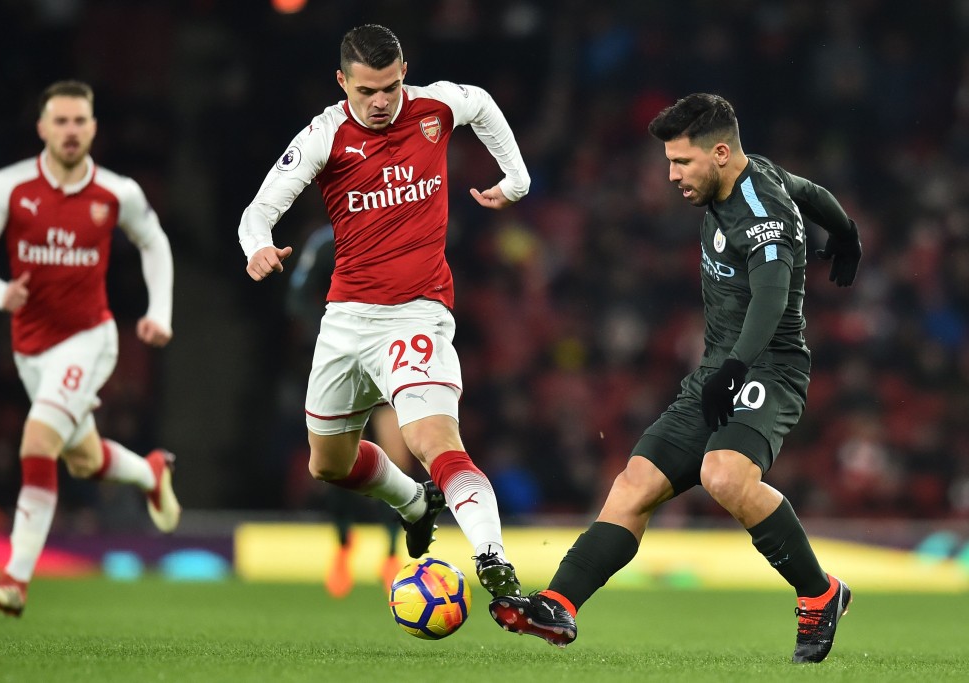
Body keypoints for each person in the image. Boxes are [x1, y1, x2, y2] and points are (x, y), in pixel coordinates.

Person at [489, 93, 862, 664]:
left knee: (724, 476)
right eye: (668, 162)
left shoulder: (761, 213)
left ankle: (820, 594)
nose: (671, 176)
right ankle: (560, 602)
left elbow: (772, 295)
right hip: (720, 366)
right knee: (635, 483)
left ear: (718, 153)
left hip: (769, 366)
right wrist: (846, 232)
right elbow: (809, 191)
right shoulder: (751, 171)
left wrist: (736, 368)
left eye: (681, 163)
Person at [238, 24, 529, 599]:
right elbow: (258, 211)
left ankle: (495, 563)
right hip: (346, 319)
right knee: (327, 463)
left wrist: (516, 179)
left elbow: (483, 105)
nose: (380, 102)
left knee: (436, 443)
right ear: (342, 81)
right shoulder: (324, 135)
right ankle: (413, 502)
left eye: (391, 88)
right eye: (368, 90)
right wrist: (258, 248)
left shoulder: (433, 105)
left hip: (417, 314)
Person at [0, 80, 180, 617]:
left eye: (81, 121)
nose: (72, 131)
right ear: (42, 128)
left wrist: (159, 312)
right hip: (32, 350)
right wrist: (0, 294)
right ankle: (151, 472)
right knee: (82, 459)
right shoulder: (9, 186)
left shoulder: (116, 192)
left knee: (37, 441)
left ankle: (16, 579)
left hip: (89, 341)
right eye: (61, 121)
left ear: (94, 127)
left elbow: (155, 243)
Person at [287, 224, 411, 597]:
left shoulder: (395, 234)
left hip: (384, 363)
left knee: (397, 461)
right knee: (337, 466)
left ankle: (391, 554)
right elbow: (296, 297)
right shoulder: (326, 243)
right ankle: (343, 547)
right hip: (342, 364)